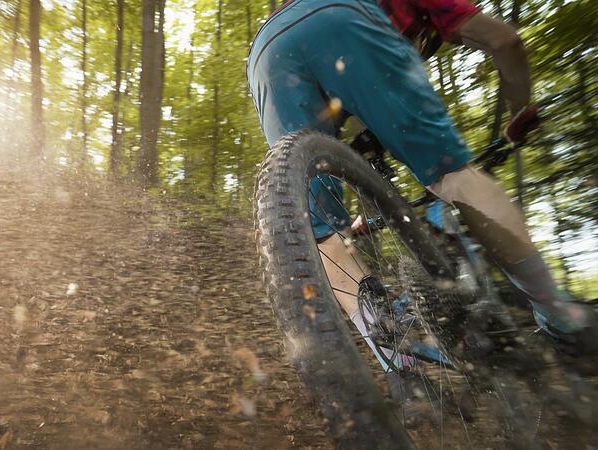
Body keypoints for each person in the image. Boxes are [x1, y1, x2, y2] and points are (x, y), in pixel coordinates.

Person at [246, 0, 596, 386]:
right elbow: (505, 41)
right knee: (453, 175)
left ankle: (402, 373)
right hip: (342, 18)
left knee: (322, 226)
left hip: (266, 53)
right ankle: (563, 318)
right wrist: (519, 114)